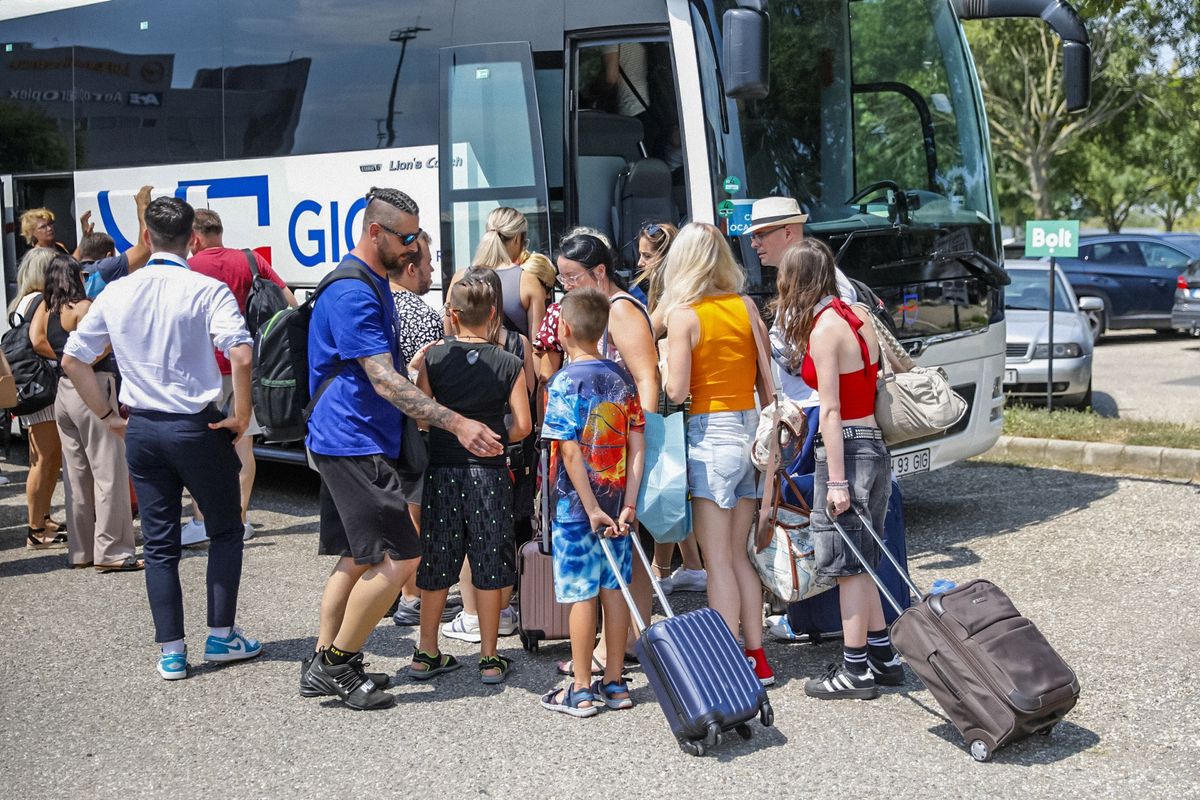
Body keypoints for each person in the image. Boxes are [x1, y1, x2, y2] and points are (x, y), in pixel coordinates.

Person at [300, 187, 503, 711]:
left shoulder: (375, 283)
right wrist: (456, 422)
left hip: (357, 439)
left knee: (355, 557)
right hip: (352, 443)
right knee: (402, 557)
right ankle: (338, 665)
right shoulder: (353, 293)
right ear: (376, 233)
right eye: (407, 238)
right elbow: (384, 380)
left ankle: (323, 660)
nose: (414, 248)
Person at [61, 196, 262, 681]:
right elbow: (239, 354)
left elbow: (72, 359)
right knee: (226, 530)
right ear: (192, 238)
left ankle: (172, 651)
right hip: (196, 425)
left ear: (146, 237)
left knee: (160, 543)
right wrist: (241, 413)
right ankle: (221, 635)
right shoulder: (206, 288)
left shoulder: (116, 291)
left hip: (144, 428)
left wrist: (110, 415)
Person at [770, 239, 902, 700]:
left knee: (847, 565)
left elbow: (829, 410)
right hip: (874, 444)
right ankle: (883, 654)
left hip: (844, 446)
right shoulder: (859, 315)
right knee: (865, 557)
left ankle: (855, 668)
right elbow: (878, 376)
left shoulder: (824, 329)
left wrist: (838, 481)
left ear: (797, 280)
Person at [660, 221, 775, 686]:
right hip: (751, 430)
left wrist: (666, 360)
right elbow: (767, 380)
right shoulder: (745, 306)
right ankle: (757, 658)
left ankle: (728, 664)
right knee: (741, 555)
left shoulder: (685, 316)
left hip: (710, 434)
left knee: (717, 562)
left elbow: (676, 390)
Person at [539, 234, 660, 677]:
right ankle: (613, 678)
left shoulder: (620, 313)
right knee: (616, 582)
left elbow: (567, 450)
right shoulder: (613, 376)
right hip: (616, 488)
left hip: (582, 501)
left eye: (572, 277)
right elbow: (636, 423)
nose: (566, 284)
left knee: (582, 591)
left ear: (600, 274)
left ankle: (585, 683)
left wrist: (629, 442)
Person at [407, 271, 530, 684]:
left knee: (438, 556)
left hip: (442, 470)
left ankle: (426, 651)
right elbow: (524, 426)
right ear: (493, 312)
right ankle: (490, 656)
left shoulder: (435, 357)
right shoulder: (509, 361)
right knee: (490, 560)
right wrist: (494, 440)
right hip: (490, 475)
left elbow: (425, 415)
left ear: (453, 315)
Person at [183, 209, 298, 546]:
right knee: (243, 445)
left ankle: (203, 520)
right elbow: (288, 304)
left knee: (200, 446)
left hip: (205, 370)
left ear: (195, 237)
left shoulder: (190, 268)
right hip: (247, 367)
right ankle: (241, 518)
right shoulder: (250, 260)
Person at [437, 267, 534, 644]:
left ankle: (474, 613)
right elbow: (528, 391)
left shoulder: (454, 343)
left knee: (467, 532)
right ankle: (505, 609)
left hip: (467, 447)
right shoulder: (519, 344)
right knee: (503, 527)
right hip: (512, 445)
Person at [30, 254, 141, 572]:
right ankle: (113, 551)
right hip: (92, 388)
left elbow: (35, 340)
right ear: (76, 276)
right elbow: (102, 348)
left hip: (62, 394)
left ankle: (82, 551)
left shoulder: (46, 308)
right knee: (109, 473)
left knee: (76, 476)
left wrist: (63, 357)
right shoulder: (85, 307)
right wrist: (93, 355)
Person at [388, 231, 463, 627]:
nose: (433, 270)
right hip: (415, 425)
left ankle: (396, 588)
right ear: (412, 266)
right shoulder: (420, 314)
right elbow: (432, 376)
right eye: (431, 263)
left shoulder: (379, 303)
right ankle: (413, 594)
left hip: (381, 424)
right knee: (417, 509)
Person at [629, 221, 706, 595]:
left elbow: (645, 328)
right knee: (672, 481)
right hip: (676, 394)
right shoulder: (677, 288)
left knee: (665, 479)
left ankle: (662, 570)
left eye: (646, 255)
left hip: (670, 395)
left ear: (663, 258)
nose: (638, 261)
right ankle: (689, 565)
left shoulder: (671, 293)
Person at [9, 248, 67, 549]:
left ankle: (43, 518)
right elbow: (39, 341)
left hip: (30, 387)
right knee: (45, 460)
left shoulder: (22, 301)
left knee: (45, 458)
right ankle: (35, 529)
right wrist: (65, 359)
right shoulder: (42, 301)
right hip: (41, 388)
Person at [455, 207, 546, 339]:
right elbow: (537, 348)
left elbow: (450, 333)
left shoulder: (460, 277)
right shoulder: (527, 281)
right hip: (513, 358)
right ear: (516, 239)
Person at [75, 186, 154, 296]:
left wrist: (85, 238)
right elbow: (146, 248)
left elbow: (72, 259)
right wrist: (143, 206)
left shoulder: (69, 272)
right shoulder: (104, 270)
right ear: (109, 256)